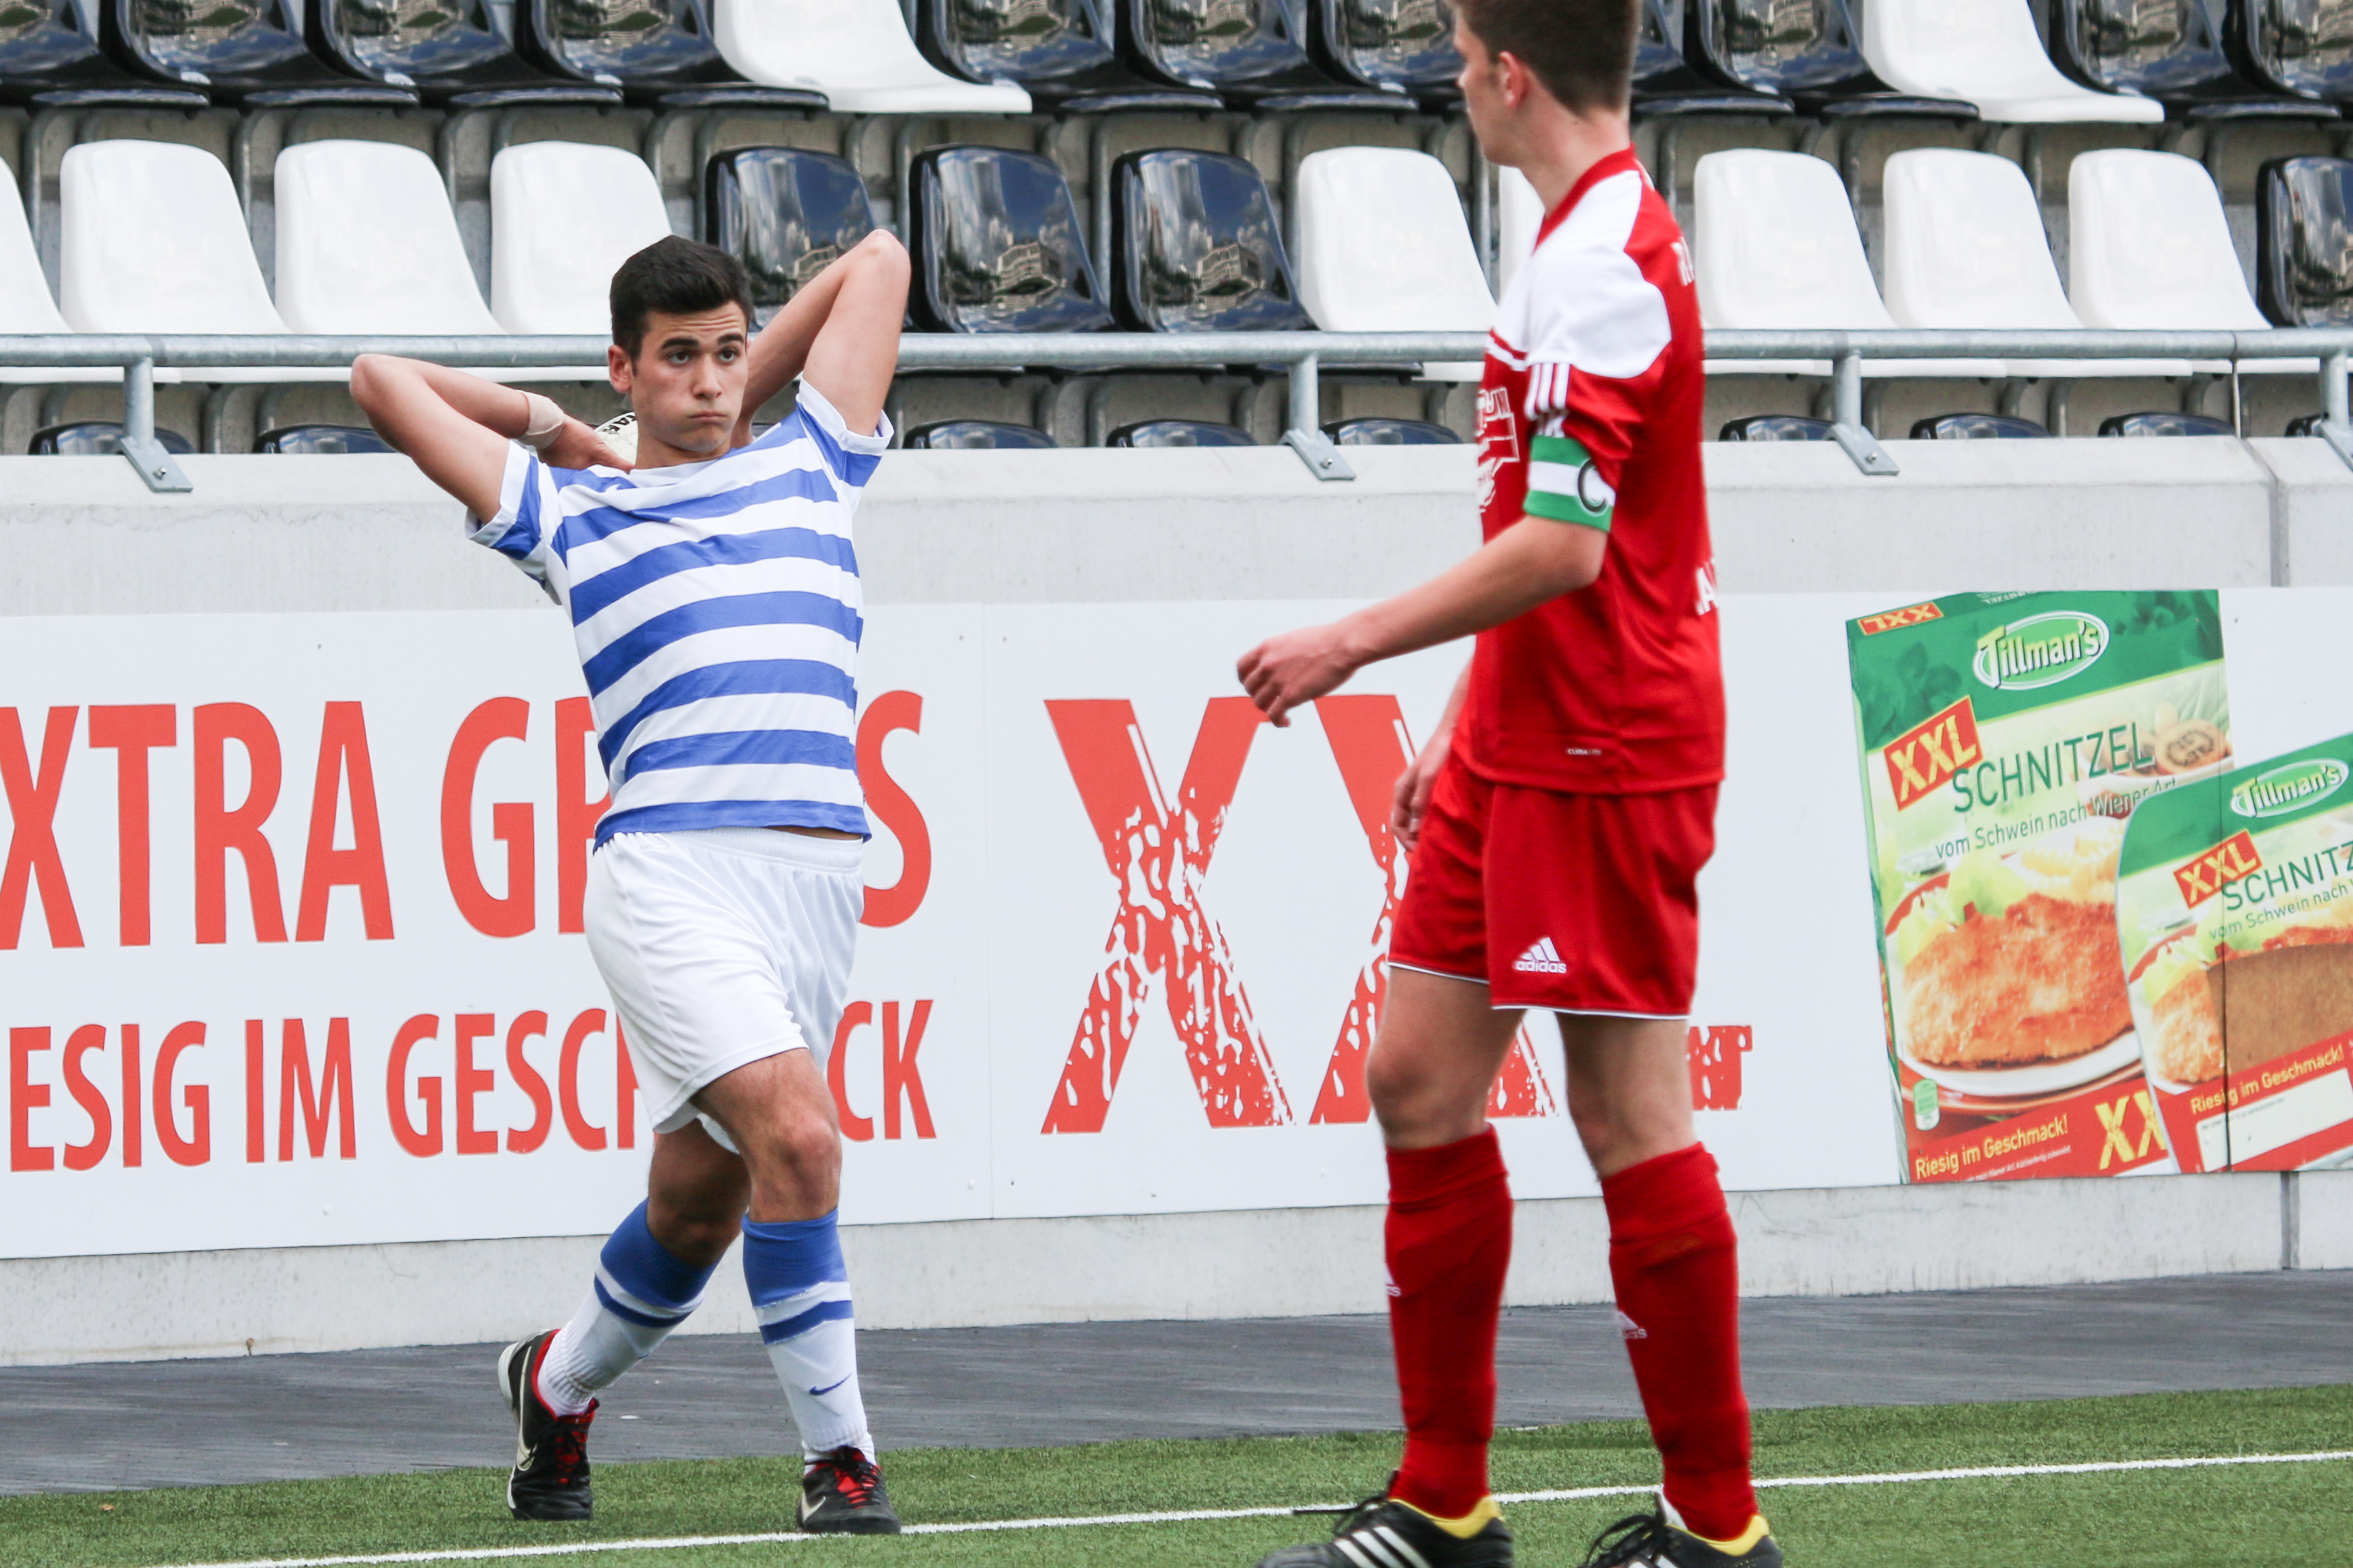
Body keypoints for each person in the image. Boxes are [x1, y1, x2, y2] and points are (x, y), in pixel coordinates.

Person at [1233, 2, 1774, 1566]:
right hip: (1524, 734)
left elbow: (1566, 546)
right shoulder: (1576, 238)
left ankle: (1718, 1530)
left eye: (1463, 56)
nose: (1456, 81)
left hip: (1607, 746)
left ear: (1508, 74)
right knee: (1417, 1078)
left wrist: (1349, 642)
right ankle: (1443, 1508)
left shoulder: (1600, 260)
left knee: (1625, 1111)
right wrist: (1464, 715)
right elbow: (1557, 533)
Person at [350, 229, 911, 1534]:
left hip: (819, 886)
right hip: (671, 877)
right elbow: (381, 379)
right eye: (677, 360)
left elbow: (882, 258)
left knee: (696, 1208)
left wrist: (743, 375)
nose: (710, 382)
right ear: (625, 369)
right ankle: (841, 1462)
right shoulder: (575, 512)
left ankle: (552, 1387)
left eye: (728, 354)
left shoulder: (814, 459)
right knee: (802, 1141)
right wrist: (559, 429)